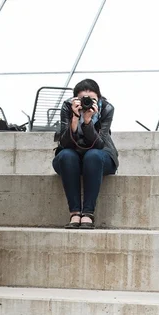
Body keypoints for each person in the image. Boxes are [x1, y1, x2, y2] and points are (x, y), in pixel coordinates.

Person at [53, 79, 118, 229]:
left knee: (93, 156)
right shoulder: (67, 107)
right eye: (83, 100)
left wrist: (88, 122)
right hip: (70, 158)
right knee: (67, 155)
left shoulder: (107, 108)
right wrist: (75, 118)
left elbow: (100, 144)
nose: (87, 102)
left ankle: (88, 213)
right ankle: (74, 213)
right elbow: (64, 143)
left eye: (92, 99)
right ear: (75, 99)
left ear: (99, 99)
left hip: (100, 157)